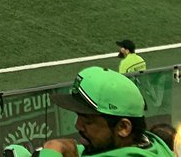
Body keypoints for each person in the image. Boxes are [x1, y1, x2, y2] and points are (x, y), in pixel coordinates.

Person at [42, 66, 171, 157]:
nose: (78, 125)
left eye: (87, 121)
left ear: (123, 127)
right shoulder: (153, 144)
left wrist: (52, 149)